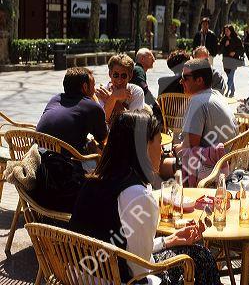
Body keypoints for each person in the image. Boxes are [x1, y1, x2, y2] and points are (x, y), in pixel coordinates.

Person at [69, 109, 220, 285]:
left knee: (193, 254)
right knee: (201, 258)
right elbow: (139, 269)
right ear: (145, 146)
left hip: (78, 276)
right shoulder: (138, 196)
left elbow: (123, 249)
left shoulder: (94, 181)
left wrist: (168, 241)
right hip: (117, 279)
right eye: (159, 142)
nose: (163, 151)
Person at [36, 67, 107, 154]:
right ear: (85, 87)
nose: (94, 90)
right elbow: (102, 139)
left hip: (38, 156)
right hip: (63, 163)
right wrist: (96, 102)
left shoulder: (55, 99)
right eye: (93, 85)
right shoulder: (92, 107)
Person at [176, 58, 237, 151]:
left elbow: (190, 147)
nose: (181, 81)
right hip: (228, 158)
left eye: (185, 78)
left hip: (213, 163)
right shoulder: (217, 95)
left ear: (199, 80)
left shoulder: (197, 101)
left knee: (160, 162)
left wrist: (173, 150)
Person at [95, 54, 146, 124]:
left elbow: (131, 123)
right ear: (110, 74)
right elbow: (102, 121)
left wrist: (112, 98)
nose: (119, 80)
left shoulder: (136, 92)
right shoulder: (102, 91)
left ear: (130, 76)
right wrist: (113, 98)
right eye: (116, 75)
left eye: (123, 76)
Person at [130, 48, 162, 121]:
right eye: (151, 56)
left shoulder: (138, 69)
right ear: (142, 59)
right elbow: (143, 89)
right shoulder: (139, 69)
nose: (154, 60)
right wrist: (156, 104)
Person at [219, 24, 244, 97]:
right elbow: (220, 50)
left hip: (234, 61)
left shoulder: (237, 39)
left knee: (230, 76)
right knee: (229, 76)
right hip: (226, 61)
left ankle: (227, 91)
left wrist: (235, 52)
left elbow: (242, 50)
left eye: (227, 30)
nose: (226, 32)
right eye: (225, 30)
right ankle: (233, 90)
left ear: (231, 31)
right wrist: (225, 45)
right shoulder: (223, 39)